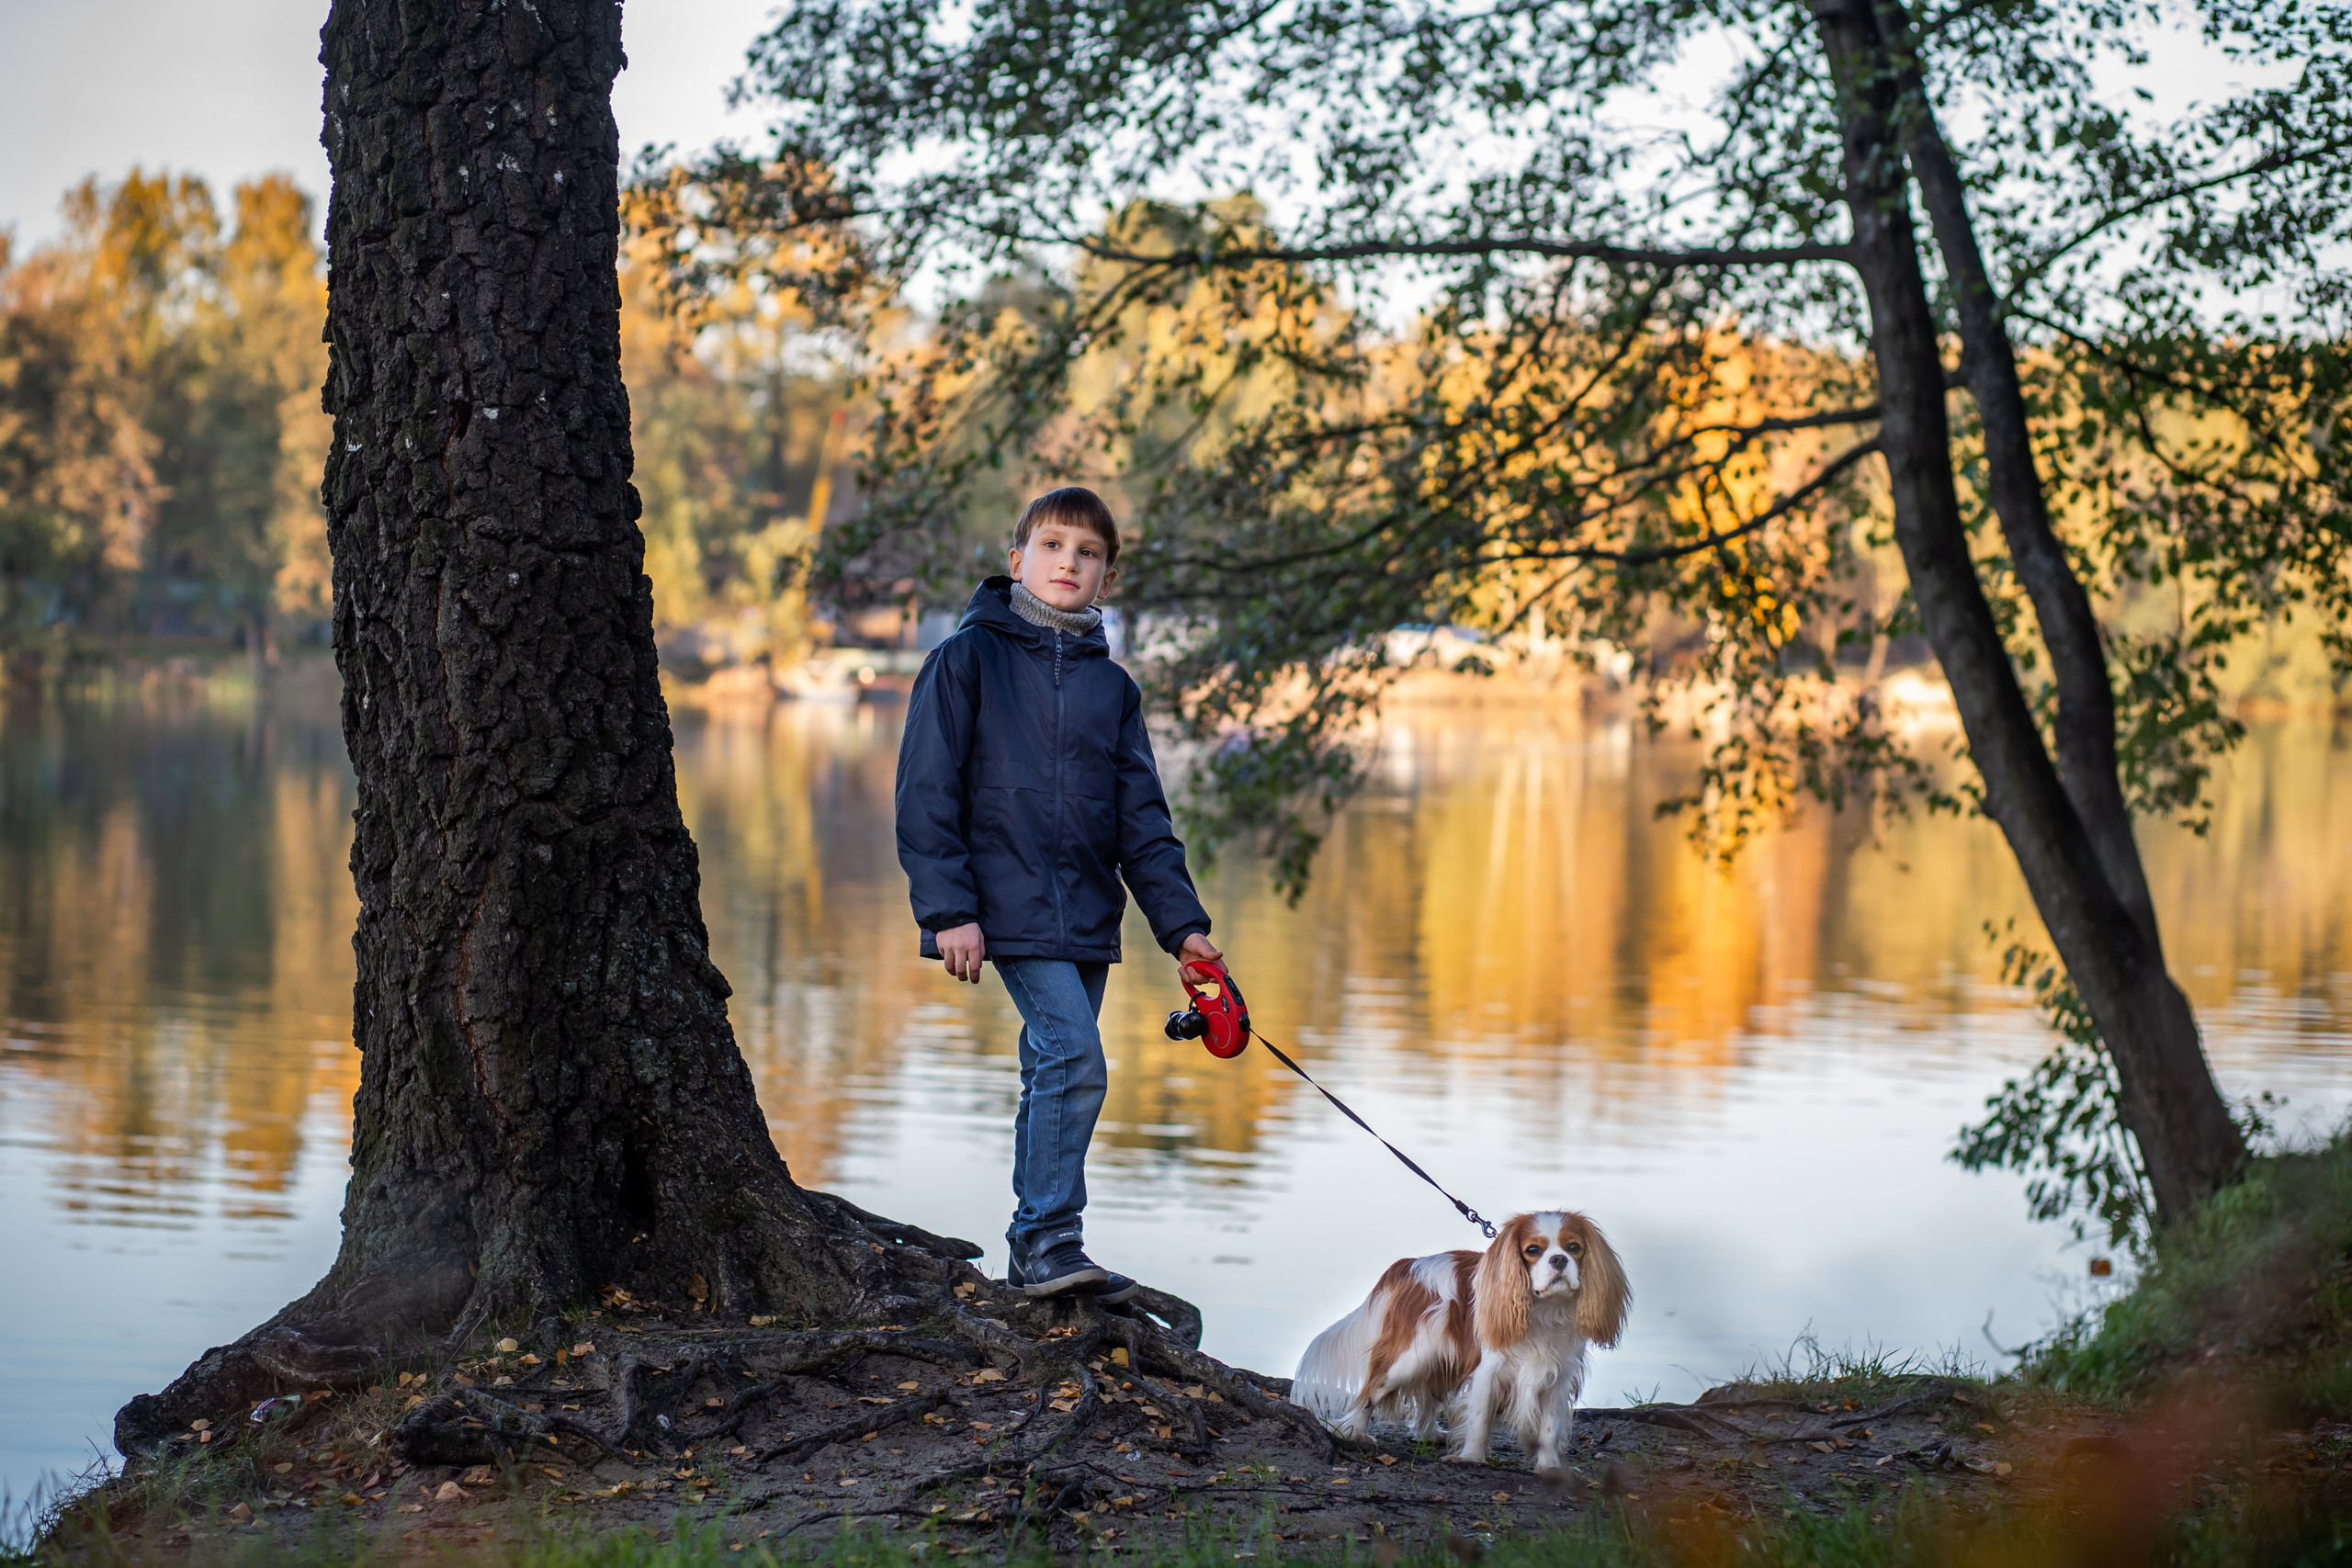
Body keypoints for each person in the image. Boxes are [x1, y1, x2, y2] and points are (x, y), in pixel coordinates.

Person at [896, 487, 1224, 1300]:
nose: (1068, 562)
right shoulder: (965, 660)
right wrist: (950, 911)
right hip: (1001, 908)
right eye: (1052, 546)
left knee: (1051, 1064)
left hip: (1085, 912)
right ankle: (1049, 1237)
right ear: (1018, 563)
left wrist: (1182, 928)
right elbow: (924, 793)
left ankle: (1033, 1261)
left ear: (1106, 578)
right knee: (1077, 1059)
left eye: (1087, 553)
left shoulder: (1111, 690)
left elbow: (1143, 821)